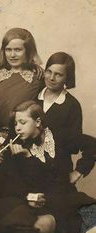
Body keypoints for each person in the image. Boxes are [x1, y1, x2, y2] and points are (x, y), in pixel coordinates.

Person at [8, 100, 96, 233]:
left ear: (38, 122)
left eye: (22, 122)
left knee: (92, 228)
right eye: (15, 123)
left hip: (68, 199)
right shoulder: (18, 149)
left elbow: (92, 145)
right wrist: (23, 159)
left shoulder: (58, 135)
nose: (17, 128)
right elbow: (15, 188)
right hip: (48, 207)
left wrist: (79, 172)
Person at [38, 52, 95, 183]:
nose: (51, 78)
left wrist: (78, 171)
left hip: (57, 172)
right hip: (30, 171)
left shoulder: (71, 105)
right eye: (49, 72)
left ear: (67, 78)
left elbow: (76, 143)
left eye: (58, 74)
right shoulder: (35, 96)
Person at [0, 28, 43, 126]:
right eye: (8, 50)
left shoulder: (36, 78)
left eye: (18, 50)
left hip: (19, 134)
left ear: (28, 51)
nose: (12, 55)